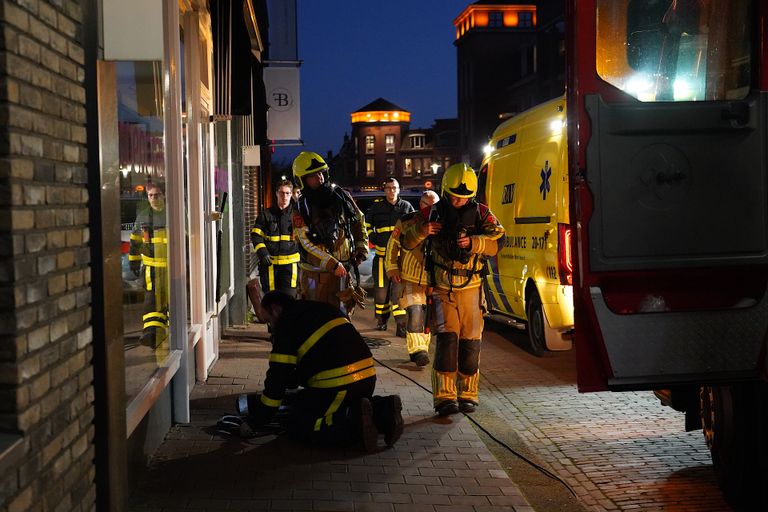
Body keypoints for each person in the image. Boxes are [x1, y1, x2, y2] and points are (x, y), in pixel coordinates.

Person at [231, 291, 404, 451]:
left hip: (339, 385)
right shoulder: (319, 309)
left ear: (275, 309)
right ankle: (384, 409)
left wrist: (257, 422)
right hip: (367, 379)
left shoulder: (286, 324)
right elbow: (306, 365)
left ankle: (355, 423)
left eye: (269, 321)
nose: (272, 326)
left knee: (302, 425)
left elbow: (277, 380)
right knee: (325, 403)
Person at [399, 164, 505, 416]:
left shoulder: (482, 213)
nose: (458, 201)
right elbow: (406, 241)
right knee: (447, 344)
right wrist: (422, 231)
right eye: (454, 195)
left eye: (463, 197)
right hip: (443, 289)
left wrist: (474, 242)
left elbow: (499, 240)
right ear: (445, 191)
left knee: (471, 345)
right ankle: (444, 397)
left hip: (472, 288)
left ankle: (468, 394)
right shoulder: (432, 213)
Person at [291, 151, 369, 312]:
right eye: (313, 175)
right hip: (316, 277)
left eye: (321, 172)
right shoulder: (301, 207)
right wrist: (333, 264)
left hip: (343, 272)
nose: (319, 177)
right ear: (302, 180)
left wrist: (361, 249)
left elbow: (358, 221)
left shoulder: (341, 196)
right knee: (317, 318)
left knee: (343, 319)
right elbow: (306, 242)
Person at [385, 190, 440, 366]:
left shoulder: (442, 222)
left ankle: (421, 348)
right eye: (427, 205)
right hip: (410, 277)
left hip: (433, 280)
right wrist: (392, 268)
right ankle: (418, 351)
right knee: (416, 314)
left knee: (429, 318)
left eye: (434, 205)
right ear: (420, 204)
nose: (430, 209)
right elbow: (392, 245)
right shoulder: (407, 221)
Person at [365, 178, 414, 336]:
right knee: (381, 292)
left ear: (399, 189)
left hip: (400, 260)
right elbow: (366, 225)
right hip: (381, 258)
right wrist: (373, 238)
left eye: (394, 188)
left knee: (398, 293)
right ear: (384, 190)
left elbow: (414, 226)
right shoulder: (377, 207)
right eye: (389, 188)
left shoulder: (406, 207)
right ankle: (382, 320)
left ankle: (401, 325)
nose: (392, 191)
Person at [129, 182, 170, 350]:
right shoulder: (143, 216)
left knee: (167, 299)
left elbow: (186, 237)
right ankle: (150, 332)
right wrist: (134, 261)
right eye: (150, 195)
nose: (153, 198)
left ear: (164, 195)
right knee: (151, 300)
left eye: (156, 195)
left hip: (169, 267)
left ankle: (162, 329)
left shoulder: (172, 215)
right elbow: (135, 241)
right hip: (150, 268)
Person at [250, 179, 300, 301]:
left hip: (290, 266)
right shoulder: (266, 214)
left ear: (291, 194)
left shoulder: (297, 215)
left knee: (289, 300)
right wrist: (263, 253)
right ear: (276, 193)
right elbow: (256, 235)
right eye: (282, 193)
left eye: (288, 193)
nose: (285, 196)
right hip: (270, 265)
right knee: (271, 301)